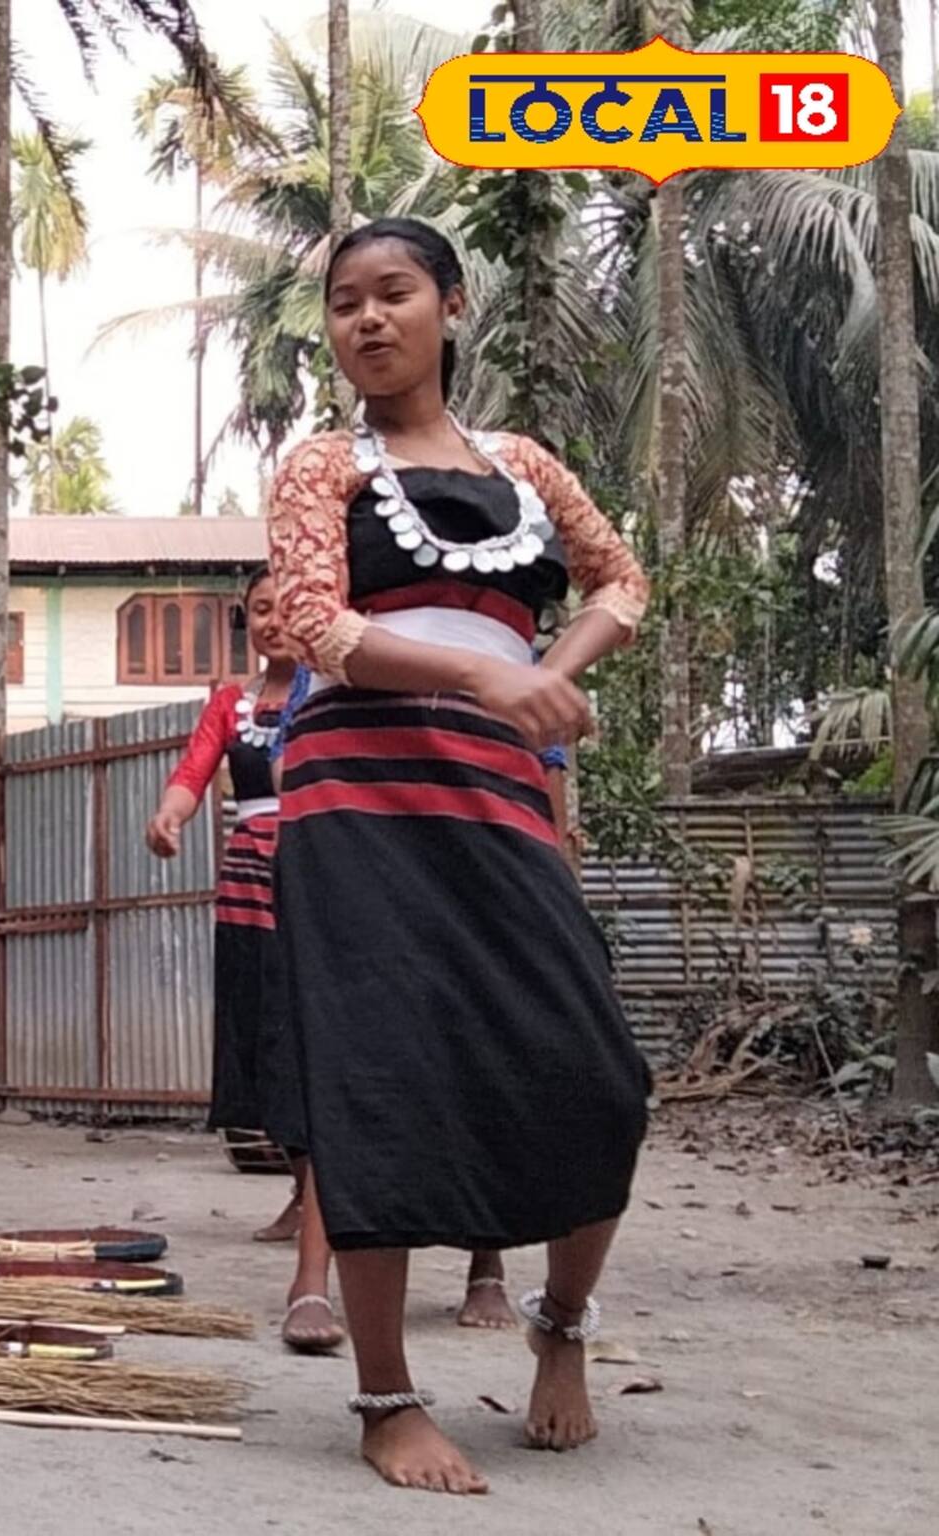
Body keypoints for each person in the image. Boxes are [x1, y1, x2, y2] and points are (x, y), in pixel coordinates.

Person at [266, 216, 650, 1494]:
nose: (366, 320)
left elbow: (621, 582)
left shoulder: (528, 466)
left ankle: (559, 1327)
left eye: (392, 294)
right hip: (351, 794)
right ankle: (384, 1399)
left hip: (496, 800)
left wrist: (545, 672)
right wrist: (494, 682)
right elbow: (317, 627)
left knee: (594, 1071)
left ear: (452, 303)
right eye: (342, 303)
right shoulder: (319, 465)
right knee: (376, 1079)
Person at [145, 567, 307, 1240]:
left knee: (308, 1031)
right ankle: (304, 1192)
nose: (273, 619)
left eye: (286, 606)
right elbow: (194, 770)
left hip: (314, 872)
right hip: (246, 883)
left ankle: (328, 1199)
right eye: (260, 610)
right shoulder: (227, 704)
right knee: (259, 1030)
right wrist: (169, 815)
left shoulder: (335, 690)